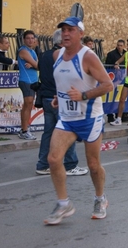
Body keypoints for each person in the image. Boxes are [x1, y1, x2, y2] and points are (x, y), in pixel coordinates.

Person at [43, 16, 114, 225]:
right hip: (66, 118)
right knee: (54, 159)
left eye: (70, 30)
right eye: (63, 30)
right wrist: (60, 97)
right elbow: (64, 83)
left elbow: (108, 85)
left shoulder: (88, 57)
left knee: (93, 165)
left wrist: (83, 96)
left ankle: (100, 198)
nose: (65, 34)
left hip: (89, 118)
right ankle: (64, 204)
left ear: (80, 34)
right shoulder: (56, 55)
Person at [35, 29, 88, 176]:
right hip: (59, 98)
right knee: (68, 131)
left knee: (48, 132)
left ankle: (43, 164)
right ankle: (70, 164)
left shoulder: (44, 55)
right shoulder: (61, 56)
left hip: (46, 96)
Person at [110, 37, 128, 126]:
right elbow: (117, 61)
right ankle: (118, 119)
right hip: (127, 80)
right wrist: (116, 65)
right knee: (122, 99)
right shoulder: (126, 54)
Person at [17, 30, 39, 140]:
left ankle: (24, 128)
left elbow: (37, 65)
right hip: (26, 81)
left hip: (33, 80)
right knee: (28, 104)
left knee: (28, 105)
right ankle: (24, 130)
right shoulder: (23, 51)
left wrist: (35, 65)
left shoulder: (33, 51)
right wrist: (34, 65)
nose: (30, 40)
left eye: (32, 38)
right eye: (28, 38)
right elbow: (38, 65)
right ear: (24, 40)